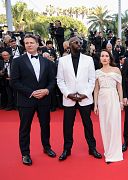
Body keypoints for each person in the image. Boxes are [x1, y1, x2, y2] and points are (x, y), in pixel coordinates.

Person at [10, 35, 57, 165]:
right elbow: (14, 82)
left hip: (44, 99)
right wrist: (31, 93)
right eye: (26, 43)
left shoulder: (47, 62)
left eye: (31, 43)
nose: (29, 45)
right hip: (26, 100)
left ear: (37, 44)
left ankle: (47, 147)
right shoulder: (17, 61)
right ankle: (25, 153)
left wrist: (47, 90)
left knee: (45, 125)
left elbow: (52, 80)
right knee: (25, 128)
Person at [56, 36, 102, 161]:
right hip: (69, 98)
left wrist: (85, 94)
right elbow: (60, 80)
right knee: (67, 125)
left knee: (88, 124)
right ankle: (67, 149)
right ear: (69, 45)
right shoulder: (62, 60)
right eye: (76, 42)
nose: (79, 44)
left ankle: (92, 148)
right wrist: (68, 94)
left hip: (85, 98)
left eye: (80, 42)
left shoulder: (88, 59)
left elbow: (92, 79)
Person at [94, 50, 124, 163]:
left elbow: (120, 87)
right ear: (100, 58)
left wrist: (121, 102)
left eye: (106, 56)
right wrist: (95, 104)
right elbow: (96, 89)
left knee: (114, 124)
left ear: (110, 58)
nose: (104, 58)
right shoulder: (97, 72)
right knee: (105, 125)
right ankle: (108, 150)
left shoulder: (116, 70)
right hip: (102, 99)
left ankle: (115, 153)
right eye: (102, 56)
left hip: (113, 98)